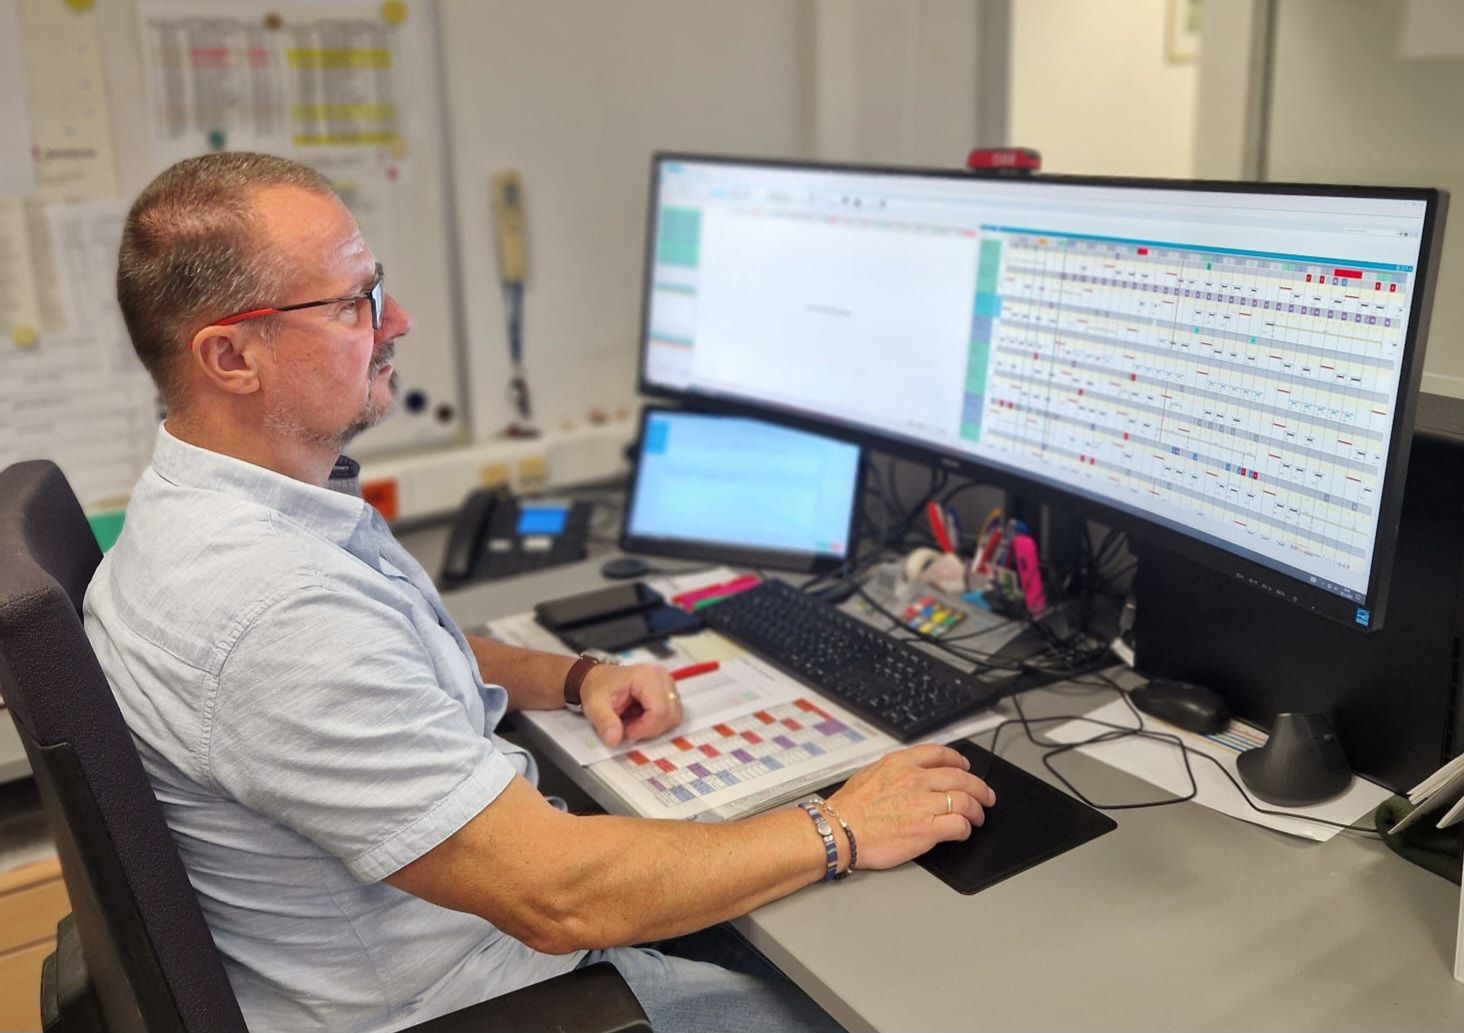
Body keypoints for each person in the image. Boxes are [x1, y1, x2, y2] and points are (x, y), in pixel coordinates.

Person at [84, 152, 997, 1033]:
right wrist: (839, 823)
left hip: (458, 942)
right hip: (489, 993)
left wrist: (572, 676)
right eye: (354, 302)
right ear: (232, 356)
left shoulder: (202, 511)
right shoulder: (269, 606)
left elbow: (393, 646)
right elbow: (560, 897)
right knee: (902, 1000)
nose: (395, 318)